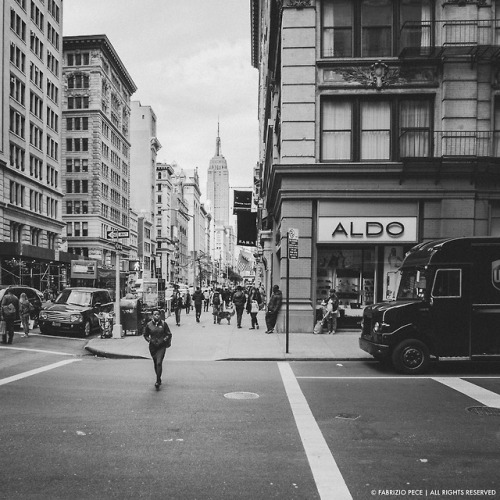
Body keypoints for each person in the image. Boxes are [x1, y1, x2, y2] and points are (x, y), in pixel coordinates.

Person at [143, 309, 172, 389]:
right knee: (156, 363)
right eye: (155, 314)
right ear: (152, 315)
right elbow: (145, 335)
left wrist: (164, 340)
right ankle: (158, 377)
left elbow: (168, 334)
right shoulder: (149, 325)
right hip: (153, 347)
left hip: (161, 346)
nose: (157, 316)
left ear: (160, 315)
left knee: (159, 362)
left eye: (158, 314)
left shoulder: (163, 324)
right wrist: (150, 340)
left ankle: (157, 381)